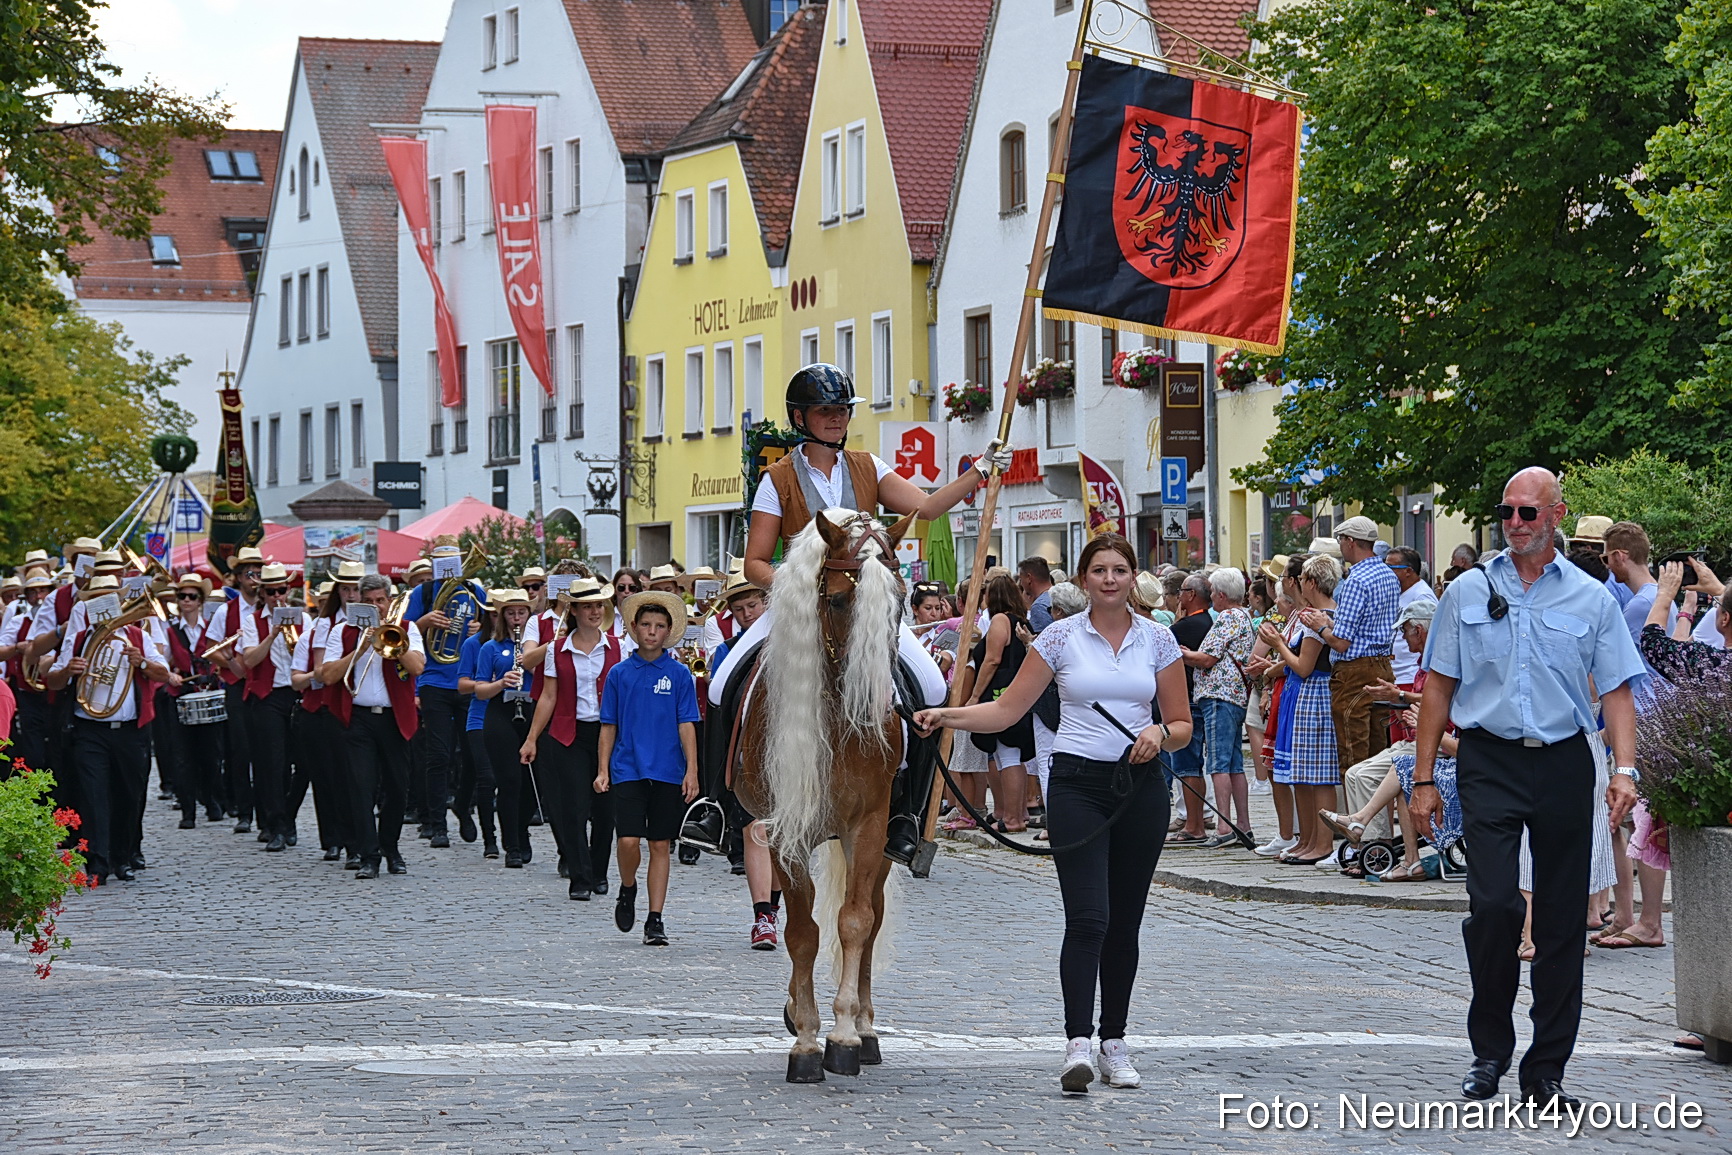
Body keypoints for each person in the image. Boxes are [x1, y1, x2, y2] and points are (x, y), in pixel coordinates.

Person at [915, 534, 1193, 1094]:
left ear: (1132, 577)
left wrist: (1159, 733)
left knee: (1125, 923)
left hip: (1138, 788)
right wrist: (947, 715)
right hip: (1077, 786)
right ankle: (1077, 1045)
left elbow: (1182, 723)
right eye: (1099, 570)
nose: (1110, 579)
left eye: (1119, 570)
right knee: (1088, 917)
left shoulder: (1158, 639)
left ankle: (1115, 1042)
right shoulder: (1060, 638)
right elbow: (1007, 709)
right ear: (1084, 579)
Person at [714, 363, 1011, 866]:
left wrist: (978, 472)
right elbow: (756, 563)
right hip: (802, 609)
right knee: (724, 683)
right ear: (800, 416)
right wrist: (801, 586)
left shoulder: (868, 466)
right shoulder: (777, 480)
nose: (835, 419)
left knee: (933, 690)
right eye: (825, 411)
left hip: (870, 615)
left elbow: (927, 508)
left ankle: (906, 813)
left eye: (842, 410)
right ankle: (718, 807)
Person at [1412, 466, 1643, 1109]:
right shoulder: (1468, 591)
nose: (1515, 523)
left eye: (1528, 513)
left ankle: (1547, 1070)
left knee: (1565, 920)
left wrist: (1623, 771)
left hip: (1566, 759)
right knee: (1494, 906)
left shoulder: (1592, 598)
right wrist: (1425, 777)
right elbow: (1438, 686)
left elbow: (1618, 690)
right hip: (1489, 758)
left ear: (1557, 515)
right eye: (1507, 512)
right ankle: (1489, 1050)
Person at [43, 574, 173, 884]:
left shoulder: (136, 636)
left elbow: (164, 674)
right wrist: (69, 671)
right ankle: (97, 863)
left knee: (129, 795)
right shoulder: (79, 638)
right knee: (93, 796)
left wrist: (140, 662)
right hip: (90, 729)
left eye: (109, 597)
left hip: (129, 730)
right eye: (97, 598)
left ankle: (123, 858)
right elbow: (53, 680)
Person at [600, 591, 701, 946]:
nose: (652, 632)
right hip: (628, 766)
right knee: (628, 840)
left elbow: (687, 723)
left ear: (669, 631)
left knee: (660, 844)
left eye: (659, 626)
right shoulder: (619, 673)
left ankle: (655, 918)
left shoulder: (679, 675)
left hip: (668, 770)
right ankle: (628, 887)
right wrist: (602, 769)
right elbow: (608, 724)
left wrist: (692, 770)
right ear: (633, 628)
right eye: (645, 625)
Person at [319, 573, 427, 879]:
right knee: (360, 788)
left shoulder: (407, 629)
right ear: (358, 603)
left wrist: (389, 638)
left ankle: (390, 847)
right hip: (359, 719)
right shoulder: (342, 631)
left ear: (389, 601)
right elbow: (327, 676)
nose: (376, 607)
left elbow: (418, 667)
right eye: (368, 602)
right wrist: (361, 648)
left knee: (397, 789)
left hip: (395, 719)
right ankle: (369, 855)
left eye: (381, 600)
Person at [520, 577, 622, 900]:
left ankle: (600, 870)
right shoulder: (556, 651)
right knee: (574, 808)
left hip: (609, 735)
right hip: (570, 735)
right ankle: (579, 877)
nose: (594, 611)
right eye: (587, 606)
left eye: (598, 605)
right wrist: (532, 738)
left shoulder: (618, 647)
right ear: (574, 610)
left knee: (606, 810)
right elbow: (548, 697)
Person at [1302, 515, 1399, 783]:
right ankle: (1379, 821)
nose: (1341, 546)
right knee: (1379, 754)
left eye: (1341, 540)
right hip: (1381, 664)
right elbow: (1364, 627)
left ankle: (1358, 820)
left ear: (1350, 541)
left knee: (1353, 756)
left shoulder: (1356, 580)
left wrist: (1321, 626)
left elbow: (1341, 642)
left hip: (1355, 671)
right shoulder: (1388, 575)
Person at [405, 539, 488, 848]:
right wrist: (424, 622)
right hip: (433, 681)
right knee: (438, 756)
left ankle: (464, 807)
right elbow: (403, 632)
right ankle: (436, 824)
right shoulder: (421, 593)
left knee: (471, 754)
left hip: (467, 681)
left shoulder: (475, 592)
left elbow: (491, 629)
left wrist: (477, 630)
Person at [1260, 554, 1341, 864]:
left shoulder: (1317, 616)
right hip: (1304, 692)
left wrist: (1278, 645)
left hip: (1314, 692)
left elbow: (1304, 667)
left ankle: (1321, 843)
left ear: (1311, 582)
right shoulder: (1314, 614)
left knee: (1317, 773)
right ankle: (1308, 840)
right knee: (1303, 773)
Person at [234, 563, 306, 852]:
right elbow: (250, 660)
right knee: (272, 764)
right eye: (271, 591)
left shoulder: (305, 619)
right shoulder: (253, 621)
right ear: (262, 593)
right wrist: (273, 633)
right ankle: (276, 826)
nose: (277, 596)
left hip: (297, 694)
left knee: (301, 765)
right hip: (268, 696)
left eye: (281, 590)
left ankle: (288, 818)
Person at [1182, 567, 1255, 849]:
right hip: (1235, 697)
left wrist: (1182, 653)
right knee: (1234, 764)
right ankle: (1243, 826)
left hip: (1219, 696)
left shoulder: (1227, 617)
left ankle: (1224, 826)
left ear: (1222, 595)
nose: (1210, 596)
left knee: (1218, 763)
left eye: (1212, 591)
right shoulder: (1244, 617)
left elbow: (1207, 658)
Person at [967, 574, 1036, 833]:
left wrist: (975, 695)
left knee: (1006, 754)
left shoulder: (1000, 619)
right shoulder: (1021, 622)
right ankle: (1017, 814)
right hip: (1018, 692)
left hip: (999, 692)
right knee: (1012, 755)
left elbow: (992, 659)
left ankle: (1012, 818)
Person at [1163, 573, 1213, 843]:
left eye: (1181, 591)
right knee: (1194, 765)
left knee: (1187, 767)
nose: (1178, 596)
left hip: (1187, 700)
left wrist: (1177, 622)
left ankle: (1194, 826)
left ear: (1191, 595)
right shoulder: (1208, 621)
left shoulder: (1184, 627)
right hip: (1199, 698)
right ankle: (1197, 820)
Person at [1017, 557, 1056, 633]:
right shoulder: (1062, 596)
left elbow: (1042, 642)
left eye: (1021, 579)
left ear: (1029, 578)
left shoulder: (1039, 606)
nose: (1021, 583)